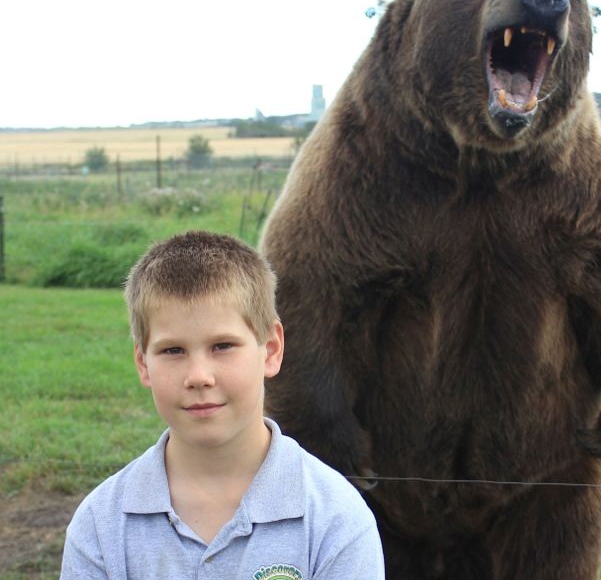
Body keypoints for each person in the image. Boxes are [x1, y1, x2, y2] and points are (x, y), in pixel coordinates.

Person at [60, 230, 385, 579]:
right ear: (143, 364)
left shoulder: (337, 520)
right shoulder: (100, 525)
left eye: (223, 346)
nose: (199, 376)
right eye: (173, 351)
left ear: (271, 350)